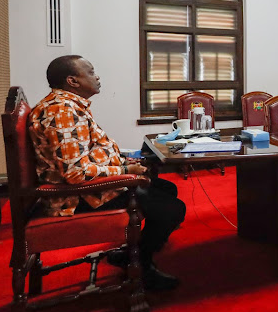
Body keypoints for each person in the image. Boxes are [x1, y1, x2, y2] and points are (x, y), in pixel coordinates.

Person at [29, 55, 186, 291]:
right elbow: (75, 172)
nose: (97, 76)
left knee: (166, 188)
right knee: (172, 209)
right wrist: (125, 170)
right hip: (76, 197)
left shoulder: (64, 105)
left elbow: (84, 153)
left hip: (84, 189)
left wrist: (123, 159)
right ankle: (141, 264)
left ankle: (134, 251)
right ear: (72, 80)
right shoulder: (63, 111)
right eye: (91, 72)